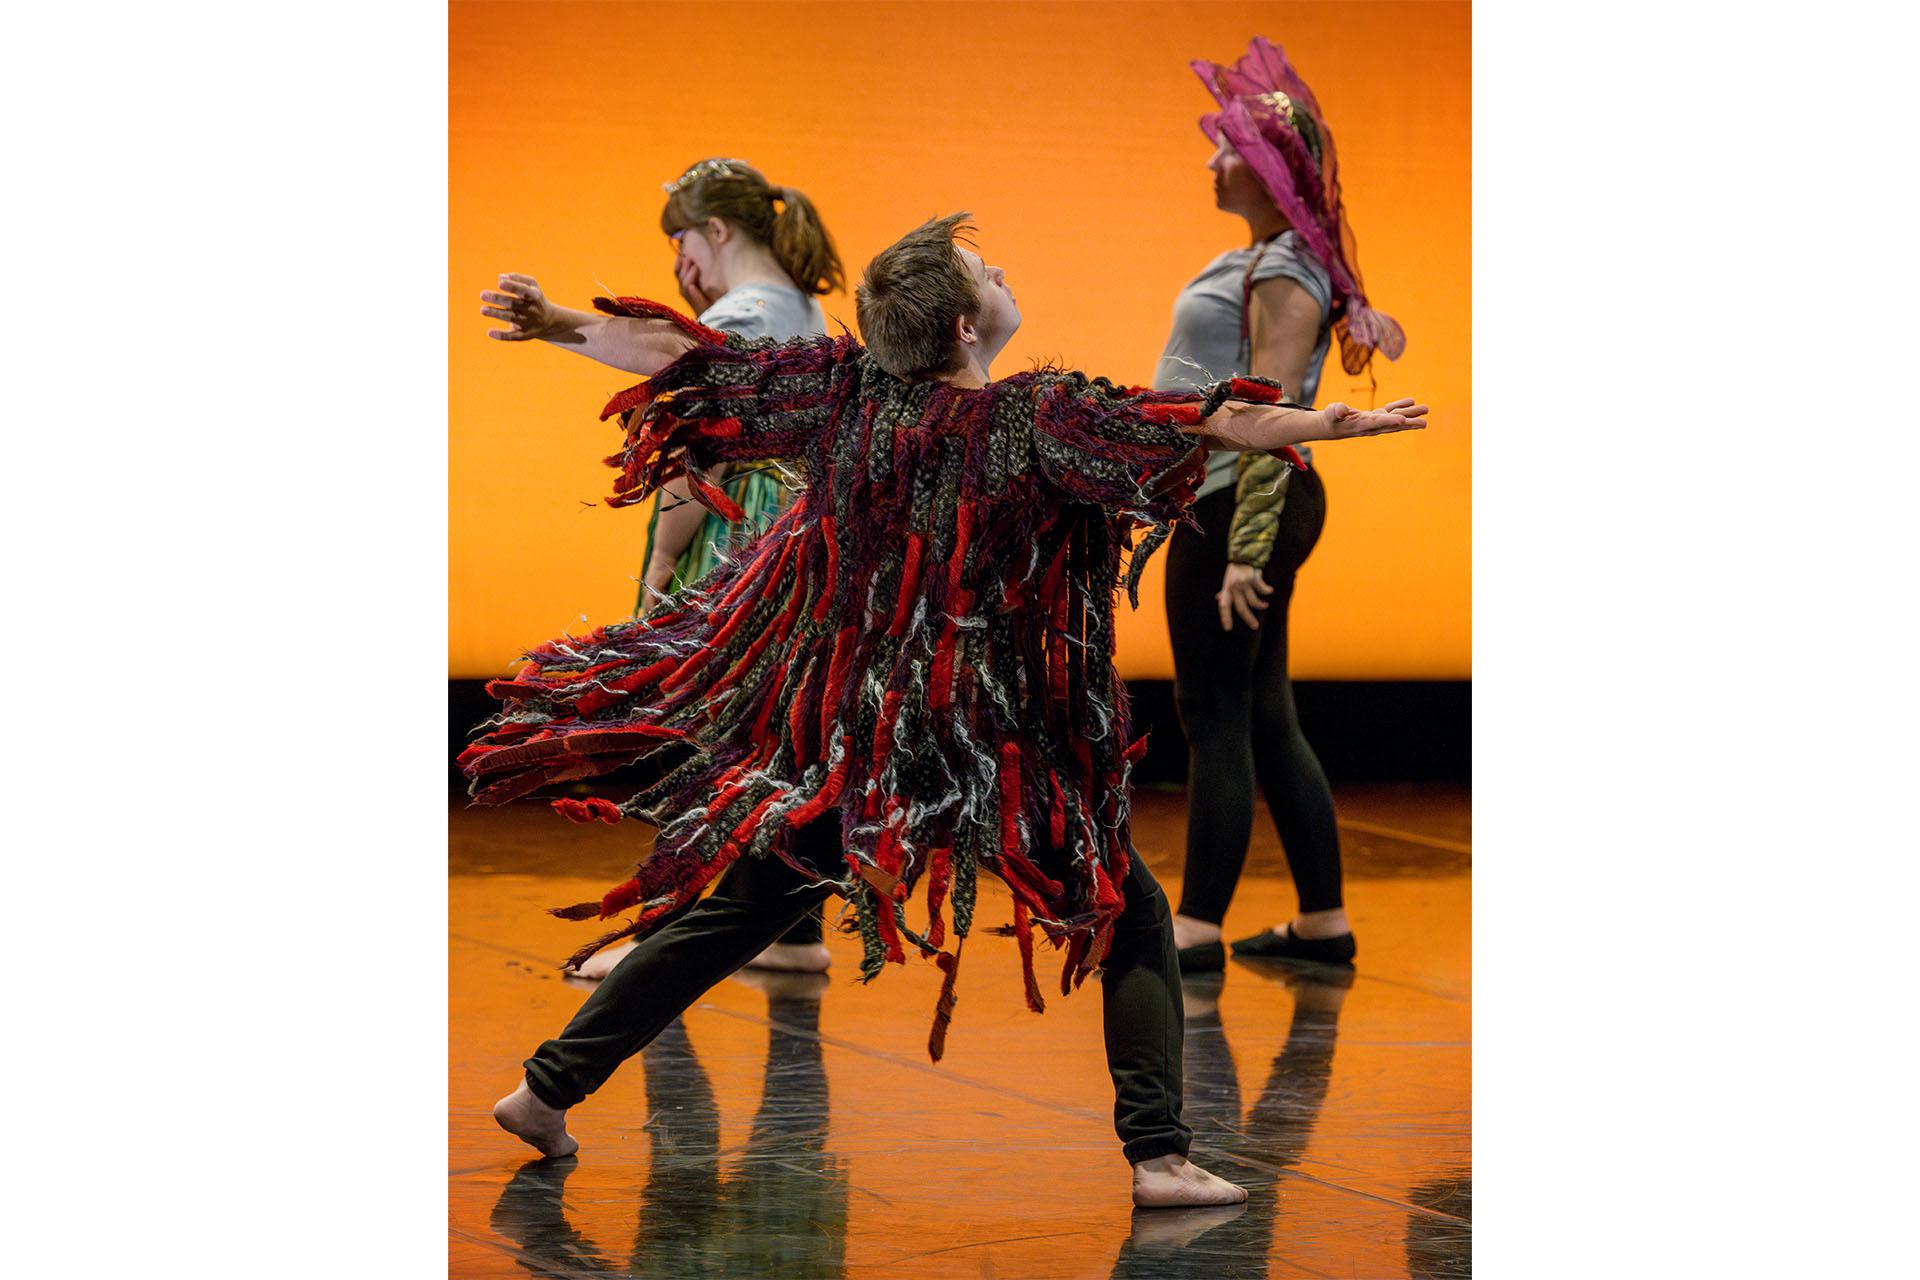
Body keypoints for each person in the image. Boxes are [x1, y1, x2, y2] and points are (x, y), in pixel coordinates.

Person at [467, 213, 1427, 1206]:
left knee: (741, 911)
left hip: (865, 741)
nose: (1003, 267)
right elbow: (1204, 419)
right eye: (986, 269)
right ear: (967, 325)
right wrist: (1330, 423)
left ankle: (545, 1089)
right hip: (998, 744)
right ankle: (1160, 1156)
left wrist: (554, 324)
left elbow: (688, 361)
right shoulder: (1038, 417)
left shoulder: (845, 398)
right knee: (1131, 911)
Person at [1153, 38, 1406, 973]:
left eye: (1227, 148)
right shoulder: (1271, 256)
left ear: (1266, 169)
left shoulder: (1289, 269)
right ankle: (1322, 924)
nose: (1212, 159)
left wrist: (1246, 549)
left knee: (1213, 711)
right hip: (1233, 500)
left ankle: (1196, 931)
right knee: (1260, 710)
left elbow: (1268, 409)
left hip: (1240, 503)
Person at [581, 156, 844, 980]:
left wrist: (661, 560)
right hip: (802, 535)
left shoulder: (738, 317)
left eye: (681, 240)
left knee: (689, 727)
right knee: (782, 734)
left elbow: (706, 459)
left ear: (715, 232)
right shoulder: (805, 308)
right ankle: (795, 931)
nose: (679, 261)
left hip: (736, 538)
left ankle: (661, 938)